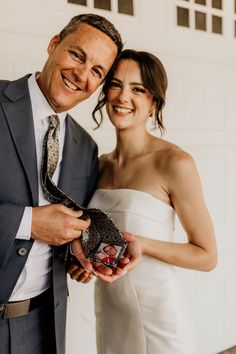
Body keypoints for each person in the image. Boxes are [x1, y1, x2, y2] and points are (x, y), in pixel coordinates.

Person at [0, 15, 140, 354]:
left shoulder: (86, 147)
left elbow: (64, 230)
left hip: (40, 328)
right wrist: (30, 223)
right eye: (77, 55)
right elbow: (37, 224)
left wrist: (82, 253)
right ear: (53, 45)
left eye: (97, 71)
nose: (82, 75)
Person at [87, 49, 218, 354]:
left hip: (159, 318)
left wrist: (143, 245)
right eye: (116, 84)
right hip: (110, 311)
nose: (123, 97)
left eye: (138, 89)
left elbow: (207, 256)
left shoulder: (175, 163)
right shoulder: (98, 166)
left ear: (153, 103)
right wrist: (84, 262)